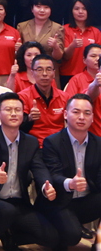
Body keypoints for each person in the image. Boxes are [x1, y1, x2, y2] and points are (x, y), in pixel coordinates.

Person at [0, 91, 60, 250]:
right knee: (6, 211)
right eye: (8, 110)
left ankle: (10, 236)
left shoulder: (31, 142)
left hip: (18, 202)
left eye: (18, 110)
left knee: (51, 237)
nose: (13, 113)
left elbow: (39, 168)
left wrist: (45, 186)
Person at [41, 94, 101, 250]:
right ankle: (54, 233)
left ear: (92, 118)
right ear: (66, 114)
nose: (81, 117)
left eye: (87, 113)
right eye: (76, 112)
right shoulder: (52, 142)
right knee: (72, 236)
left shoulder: (98, 143)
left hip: (87, 201)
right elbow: (53, 175)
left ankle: (99, 244)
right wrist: (70, 183)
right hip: (61, 201)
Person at [18, 54, 69, 144]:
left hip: (59, 144)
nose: (44, 74)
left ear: (54, 73)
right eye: (39, 70)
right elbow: (17, 126)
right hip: (33, 145)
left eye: (48, 69)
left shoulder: (64, 97)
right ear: (32, 73)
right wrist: (29, 118)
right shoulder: (22, 96)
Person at [61, 0, 101, 85]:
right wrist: (72, 46)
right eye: (77, 9)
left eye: (84, 9)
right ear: (71, 11)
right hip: (68, 74)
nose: (80, 12)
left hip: (91, 75)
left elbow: (99, 56)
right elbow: (65, 56)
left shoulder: (96, 32)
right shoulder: (64, 29)